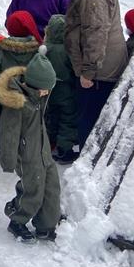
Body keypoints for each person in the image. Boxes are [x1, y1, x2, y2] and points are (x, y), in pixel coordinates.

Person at [53, 0, 128, 150]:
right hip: (98, 66)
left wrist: (89, 71)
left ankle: (87, 165)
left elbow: (96, 32)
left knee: (90, 119)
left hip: (100, 70)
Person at [0, 46, 60, 244]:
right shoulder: (18, 103)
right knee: (33, 191)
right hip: (27, 155)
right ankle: (17, 219)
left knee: (51, 188)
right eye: (45, 88)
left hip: (43, 150)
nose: (47, 92)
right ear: (33, 85)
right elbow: (9, 133)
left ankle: (46, 224)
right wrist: (9, 160)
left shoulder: (38, 95)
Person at [0, 11, 43, 160]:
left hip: (3, 93)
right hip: (27, 94)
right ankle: (24, 150)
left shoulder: (2, 49)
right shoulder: (37, 51)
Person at [42, 14, 80, 164]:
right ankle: (65, 149)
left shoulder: (45, 48)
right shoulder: (69, 50)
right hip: (66, 90)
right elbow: (74, 69)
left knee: (51, 117)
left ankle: (50, 143)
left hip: (49, 90)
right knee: (67, 119)